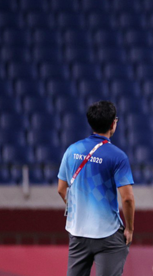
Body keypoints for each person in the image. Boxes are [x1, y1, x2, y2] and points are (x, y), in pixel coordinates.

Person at [57, 100, 134, 276]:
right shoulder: (118, 156)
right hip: (108, 234)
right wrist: (129, 228)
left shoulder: (72, 150)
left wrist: (75, 209)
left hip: (78, 233)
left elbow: (61, 188)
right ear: (114, 123)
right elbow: (128, 198)